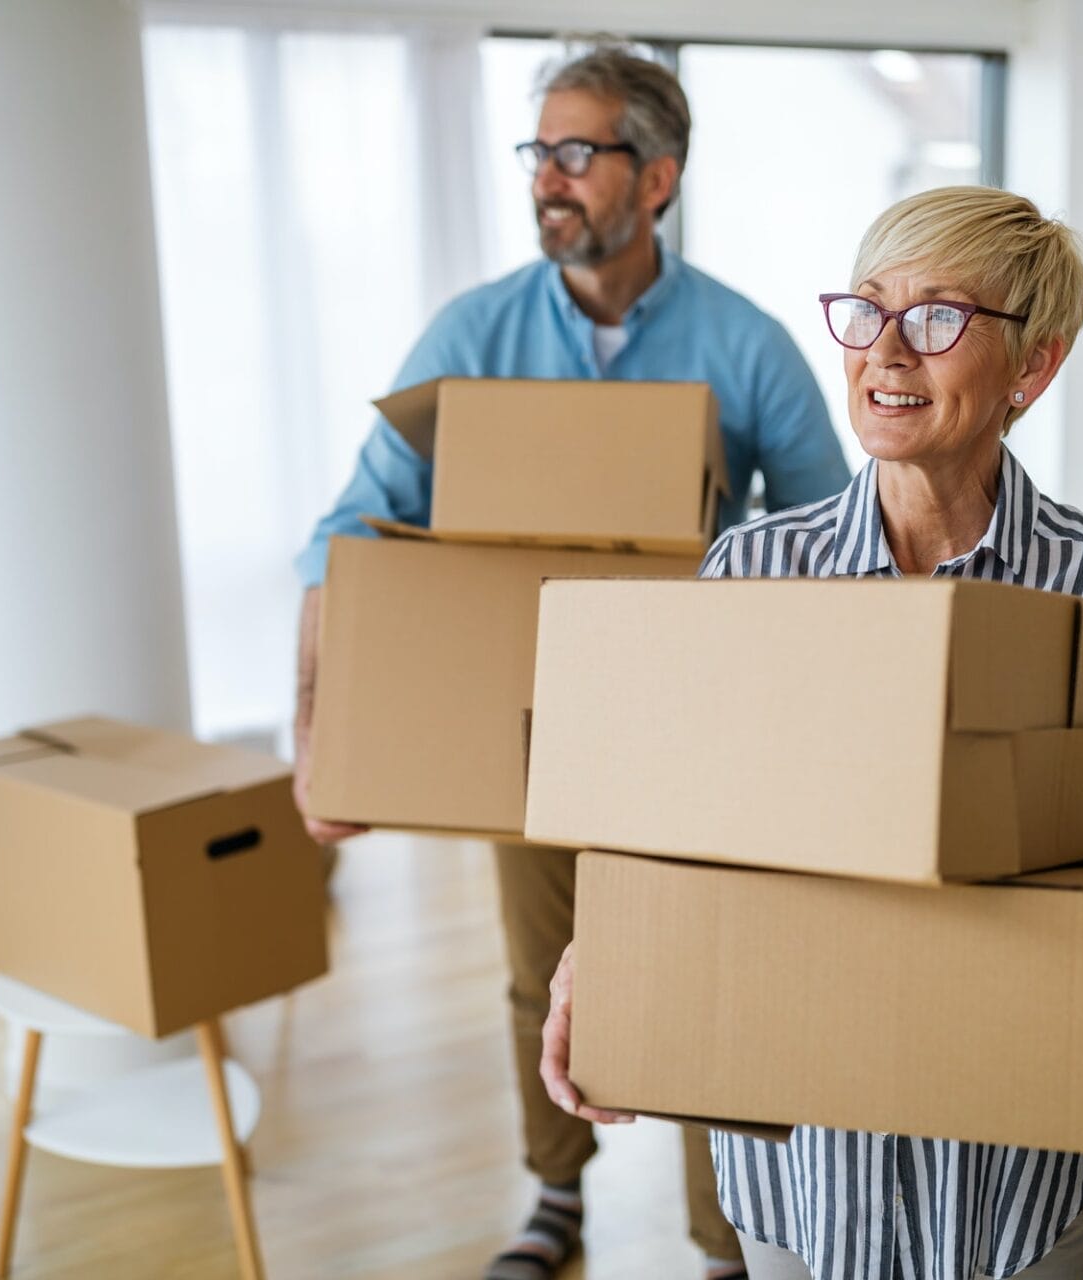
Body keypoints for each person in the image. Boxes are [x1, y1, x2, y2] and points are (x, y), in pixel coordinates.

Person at [538, 185, 1083, 1280]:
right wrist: (601, 966)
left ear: (1034, 366)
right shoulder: (755, 569)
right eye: (868, 310)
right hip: (799, 1176)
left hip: (1019, 1171)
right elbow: (679, 853)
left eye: (937, 317)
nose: (886, 353)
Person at [290, 45, 853, 1280]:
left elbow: (842, 550)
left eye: (577, 152)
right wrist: (317, 738)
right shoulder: (475, 332)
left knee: (709, 977)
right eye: (537, 152)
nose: (548, 178)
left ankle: (725, 1243)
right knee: (537, 971)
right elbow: (345, 534)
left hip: (697, 734)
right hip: (528, 727)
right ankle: (554, 1196)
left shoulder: (747, 346)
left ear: (658, 177)